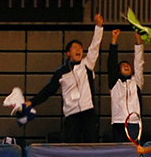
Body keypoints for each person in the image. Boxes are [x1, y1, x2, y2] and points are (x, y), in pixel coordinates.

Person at [27, 14, 105, 142]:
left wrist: (99, 26)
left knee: (91, 145)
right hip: (71, 116)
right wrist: (32, 102)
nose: (79, 49)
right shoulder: (61, 72)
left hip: (88, 113)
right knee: (72, 148)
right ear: (69, 53)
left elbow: (95, 47)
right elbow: (48, 90)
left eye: (80, 47)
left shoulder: (87, 65)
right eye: (75, 47)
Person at [107, 29, 144, 142]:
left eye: (128, 65)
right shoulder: (115, 84)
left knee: (133, 151)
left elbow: (139, 63)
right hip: (118, 122)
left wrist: (139, 42)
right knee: (120, 151)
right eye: (123, 65)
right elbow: (111, 64)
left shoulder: (136, 82)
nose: (126, 66)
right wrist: (114, 41)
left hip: (134, 122)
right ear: (118, 71)